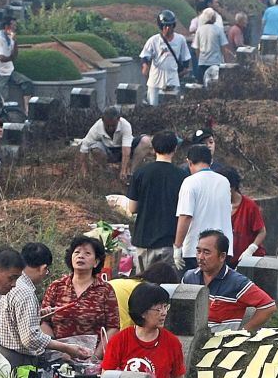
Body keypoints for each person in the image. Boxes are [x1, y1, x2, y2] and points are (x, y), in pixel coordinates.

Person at [0, 242, 92, 370]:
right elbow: (30, 338)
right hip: (18, 361)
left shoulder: (12, 284)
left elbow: (14, 319)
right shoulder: (26, 293)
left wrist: (38, 315)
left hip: (4, 352)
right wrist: (66, 348)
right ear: (43, 268)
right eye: (47, 271)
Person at [102, 284, 187, 378]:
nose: (164, 313)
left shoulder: (172, 342)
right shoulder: (119, 341)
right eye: (158, 309)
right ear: (142, 312)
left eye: (165, 307)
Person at [40, 236, 119, 358]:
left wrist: (95, 357)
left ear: (96, 262)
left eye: (87, 253)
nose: (80, 256)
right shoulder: (57, 286)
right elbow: (44, 321)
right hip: (58, 358)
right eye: (76, 252)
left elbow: (113, 327)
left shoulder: (105, 290)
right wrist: (58, 350)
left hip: (92, 359)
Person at [181, 231, 276, 333]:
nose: (200, 257)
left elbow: (268, 306)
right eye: (198, 251)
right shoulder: (189, 277)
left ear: (222, 256)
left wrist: (242, 332)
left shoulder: (237, 282)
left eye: (206, 252)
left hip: (221, 344)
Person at [127, 131, 186, 273]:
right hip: (169, 241)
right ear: (175, 149)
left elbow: (132, 208)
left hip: (144, 240)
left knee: (144, 287)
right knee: (168, 287)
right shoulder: (182, 176)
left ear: (153, 149)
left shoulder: (140, 173)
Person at [173, 144, 233, 271]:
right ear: (210, 161)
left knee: (193, 290)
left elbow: (185, 216)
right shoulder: (224, 182)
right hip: (222, 248)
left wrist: (177, 247)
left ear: (189, 162)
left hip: (196, 251)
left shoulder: (190, 182)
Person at [140, 10, 191, 106]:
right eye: (165, 26)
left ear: (173, 26)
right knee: (153, 107)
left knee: (171, 107)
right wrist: (145, 66)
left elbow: (186, 58)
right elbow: (144, 56)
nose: (167, 29)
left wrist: (184, 70)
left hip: (172, 80)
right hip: (155, 81)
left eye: (170, 26)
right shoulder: (153, 40)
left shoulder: (180, 40)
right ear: (161, 26)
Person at [79, 107, 141, 182]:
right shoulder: (97, 127)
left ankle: (130, 172)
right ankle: (106, 171)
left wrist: (123, 170)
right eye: (108, 125)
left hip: (121, 149)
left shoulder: (125, 125)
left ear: (118, 120)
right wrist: (84, 168)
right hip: (107, 150)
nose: (111, 128)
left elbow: (126, 149)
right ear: (103, 120)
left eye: (113, 125)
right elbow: (84, 146)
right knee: (95, 149)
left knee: (145, 141)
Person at [193, 8, 231, 82]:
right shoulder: (218, 30)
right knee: (216, 87)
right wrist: (227, 63)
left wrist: (199, 60)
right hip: (216, 62)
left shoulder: (199, 30)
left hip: (203, 63)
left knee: (202, 86)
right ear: (214, 18)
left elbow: (196, 49)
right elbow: (223, 48)